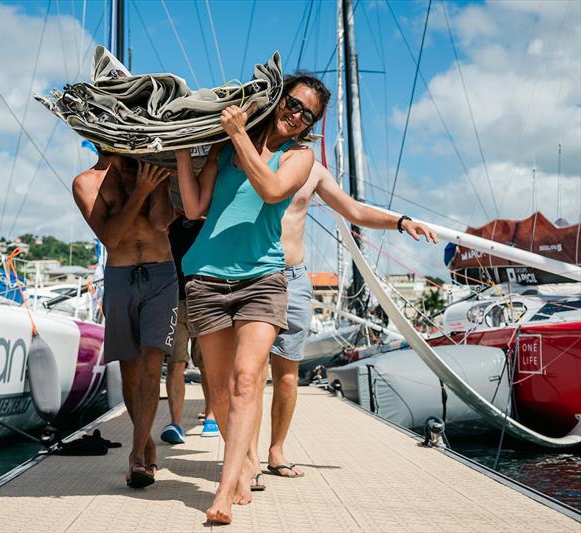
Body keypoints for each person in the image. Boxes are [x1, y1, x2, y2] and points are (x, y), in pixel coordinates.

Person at [174, 73, 324, 525]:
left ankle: (225, 487)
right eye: (293, 103)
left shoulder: (299, 156)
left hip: (262, 278)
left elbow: (272, 191)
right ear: (278, 98)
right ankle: (243, 462)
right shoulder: (222, 149)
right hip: (206, 277)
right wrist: (182, 149)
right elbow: (195, 208)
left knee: (245, 380)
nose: (296, 115)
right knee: (218, 390)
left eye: (307, 114)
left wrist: (239, 133)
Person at [253, 156, 438, 482]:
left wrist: (400, 221)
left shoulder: (311, 169)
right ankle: (246, 457)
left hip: (294, 279)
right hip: (253, 276)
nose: (298, 118)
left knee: (286, 376)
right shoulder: (253, 157)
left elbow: (353, 210)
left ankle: (276, 450)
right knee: (250, 375)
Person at [72, 152, 177, 489]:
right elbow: (111, 237)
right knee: (129, 369)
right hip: (119, 275)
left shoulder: (155, 166)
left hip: (162, 273)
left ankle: (137, 456)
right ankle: (145, 441)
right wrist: (141, 190)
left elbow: (161, 222)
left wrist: (151, 181)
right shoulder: (86, 183)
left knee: (151, 363)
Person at [161, 216, 219, 445]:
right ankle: (175, 422)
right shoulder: (169, 219)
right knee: (176, 362)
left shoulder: (210, 216)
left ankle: (211, 417)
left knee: (208, 363)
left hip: (205, 296)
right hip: (175, 298)